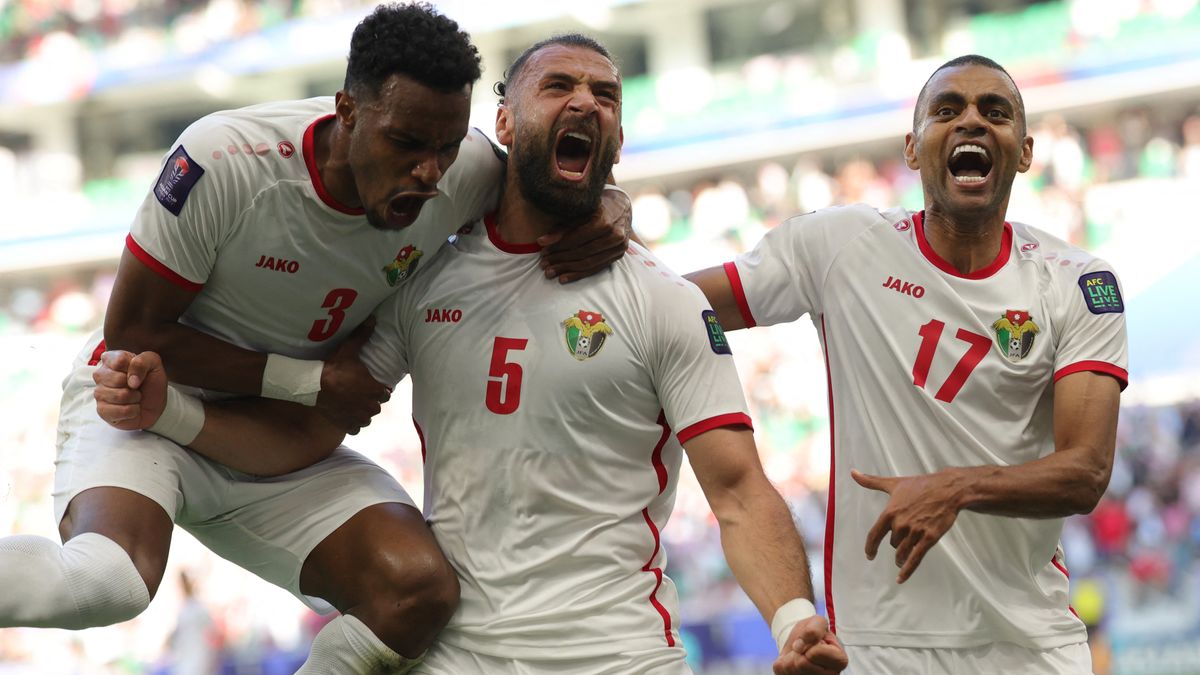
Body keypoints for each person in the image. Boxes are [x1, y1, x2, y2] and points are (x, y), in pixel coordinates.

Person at [94, 34, 849, 675]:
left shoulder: (664, 300)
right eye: (558, 86)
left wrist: (791, 618)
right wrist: (179, 419)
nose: (587, 103)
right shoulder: (420, 285)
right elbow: (314, 430)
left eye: (607, 96)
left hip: (617, 652)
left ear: (617, 141)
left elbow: (740, 491)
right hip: (459, 655)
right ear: (503, 126)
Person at [0, 4, 632, 674]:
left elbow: (551, 191)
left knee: (417, 589)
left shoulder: (465, 171)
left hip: (273, 436)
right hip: (140, 407)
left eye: (444, 147)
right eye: (408, 142)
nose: (428, 172)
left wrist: (611, 204)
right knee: (107, 582)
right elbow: (131, 334)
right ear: (348, 111)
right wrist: (306, 382)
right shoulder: (226, 161)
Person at [685, 55, 1128, 674]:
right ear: (913, 148)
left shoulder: (1078, 282)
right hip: (878, 649)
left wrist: (955, 488)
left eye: (993, 113)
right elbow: (674, 309)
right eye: (947, 110)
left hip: (1032, 647)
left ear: (1025, 152)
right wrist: (607, 247)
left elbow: (1086, 471)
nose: (971, 122)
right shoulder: (839, 246)